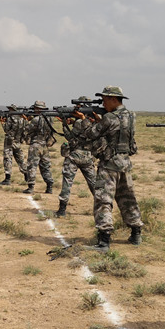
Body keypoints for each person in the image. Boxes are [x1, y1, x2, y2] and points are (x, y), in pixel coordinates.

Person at [74, 86, 142, 250]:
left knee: (103, 201)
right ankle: (136, 233)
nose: (103, 103)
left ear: (113, 99)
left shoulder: (110, 117)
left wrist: (83, 119)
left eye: (105, 100)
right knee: (128, 199)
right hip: (124, 163)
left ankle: (104, 241)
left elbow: (91, 134)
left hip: (109, 165)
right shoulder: (131, 116)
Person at [54, 97, 98, 218]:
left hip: (74, 156)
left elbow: (70, 137)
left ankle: (62, 209)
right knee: (93, 183)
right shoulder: (96, 121)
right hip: (88, 156)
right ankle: (101, 206)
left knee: (67, 182)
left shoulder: (80, 122)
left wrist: (64, 124)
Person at [22, 100, 55, 195]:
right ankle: (49, 186)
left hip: (36, 144)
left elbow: (27, 130)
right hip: (44, 145)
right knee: (45, 166)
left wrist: (26, 121)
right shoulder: (50, 119)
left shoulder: (36, 120)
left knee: (32, 165)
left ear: (37, 109)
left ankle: (31, 187)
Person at [0, 104, 27, 186]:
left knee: (8, 158)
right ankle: (26, 175)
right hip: (17, 141)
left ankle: (7, 178)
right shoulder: (23, 119)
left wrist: (2, 122)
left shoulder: (11, 118)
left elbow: (6, 129)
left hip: (9, 141)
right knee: (20, 158)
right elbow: (24, 130)